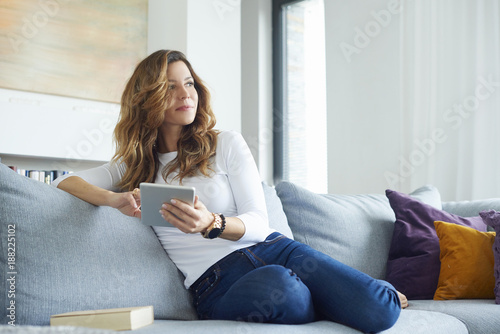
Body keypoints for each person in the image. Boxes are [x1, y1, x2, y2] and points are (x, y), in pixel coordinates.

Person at [53, 50, 407, 333]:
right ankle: (333, 297)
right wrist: (116, 199)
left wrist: (211, 223)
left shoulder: (225, 143)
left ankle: (364, 294)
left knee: (381, 310)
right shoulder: (134, 167)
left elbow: (258, 220)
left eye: (189, 83)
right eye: (170, 86)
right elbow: (62, 182)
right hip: (217, 282)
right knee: (284, 289)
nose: (185, 94)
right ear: (147, 98)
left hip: (278, 250)